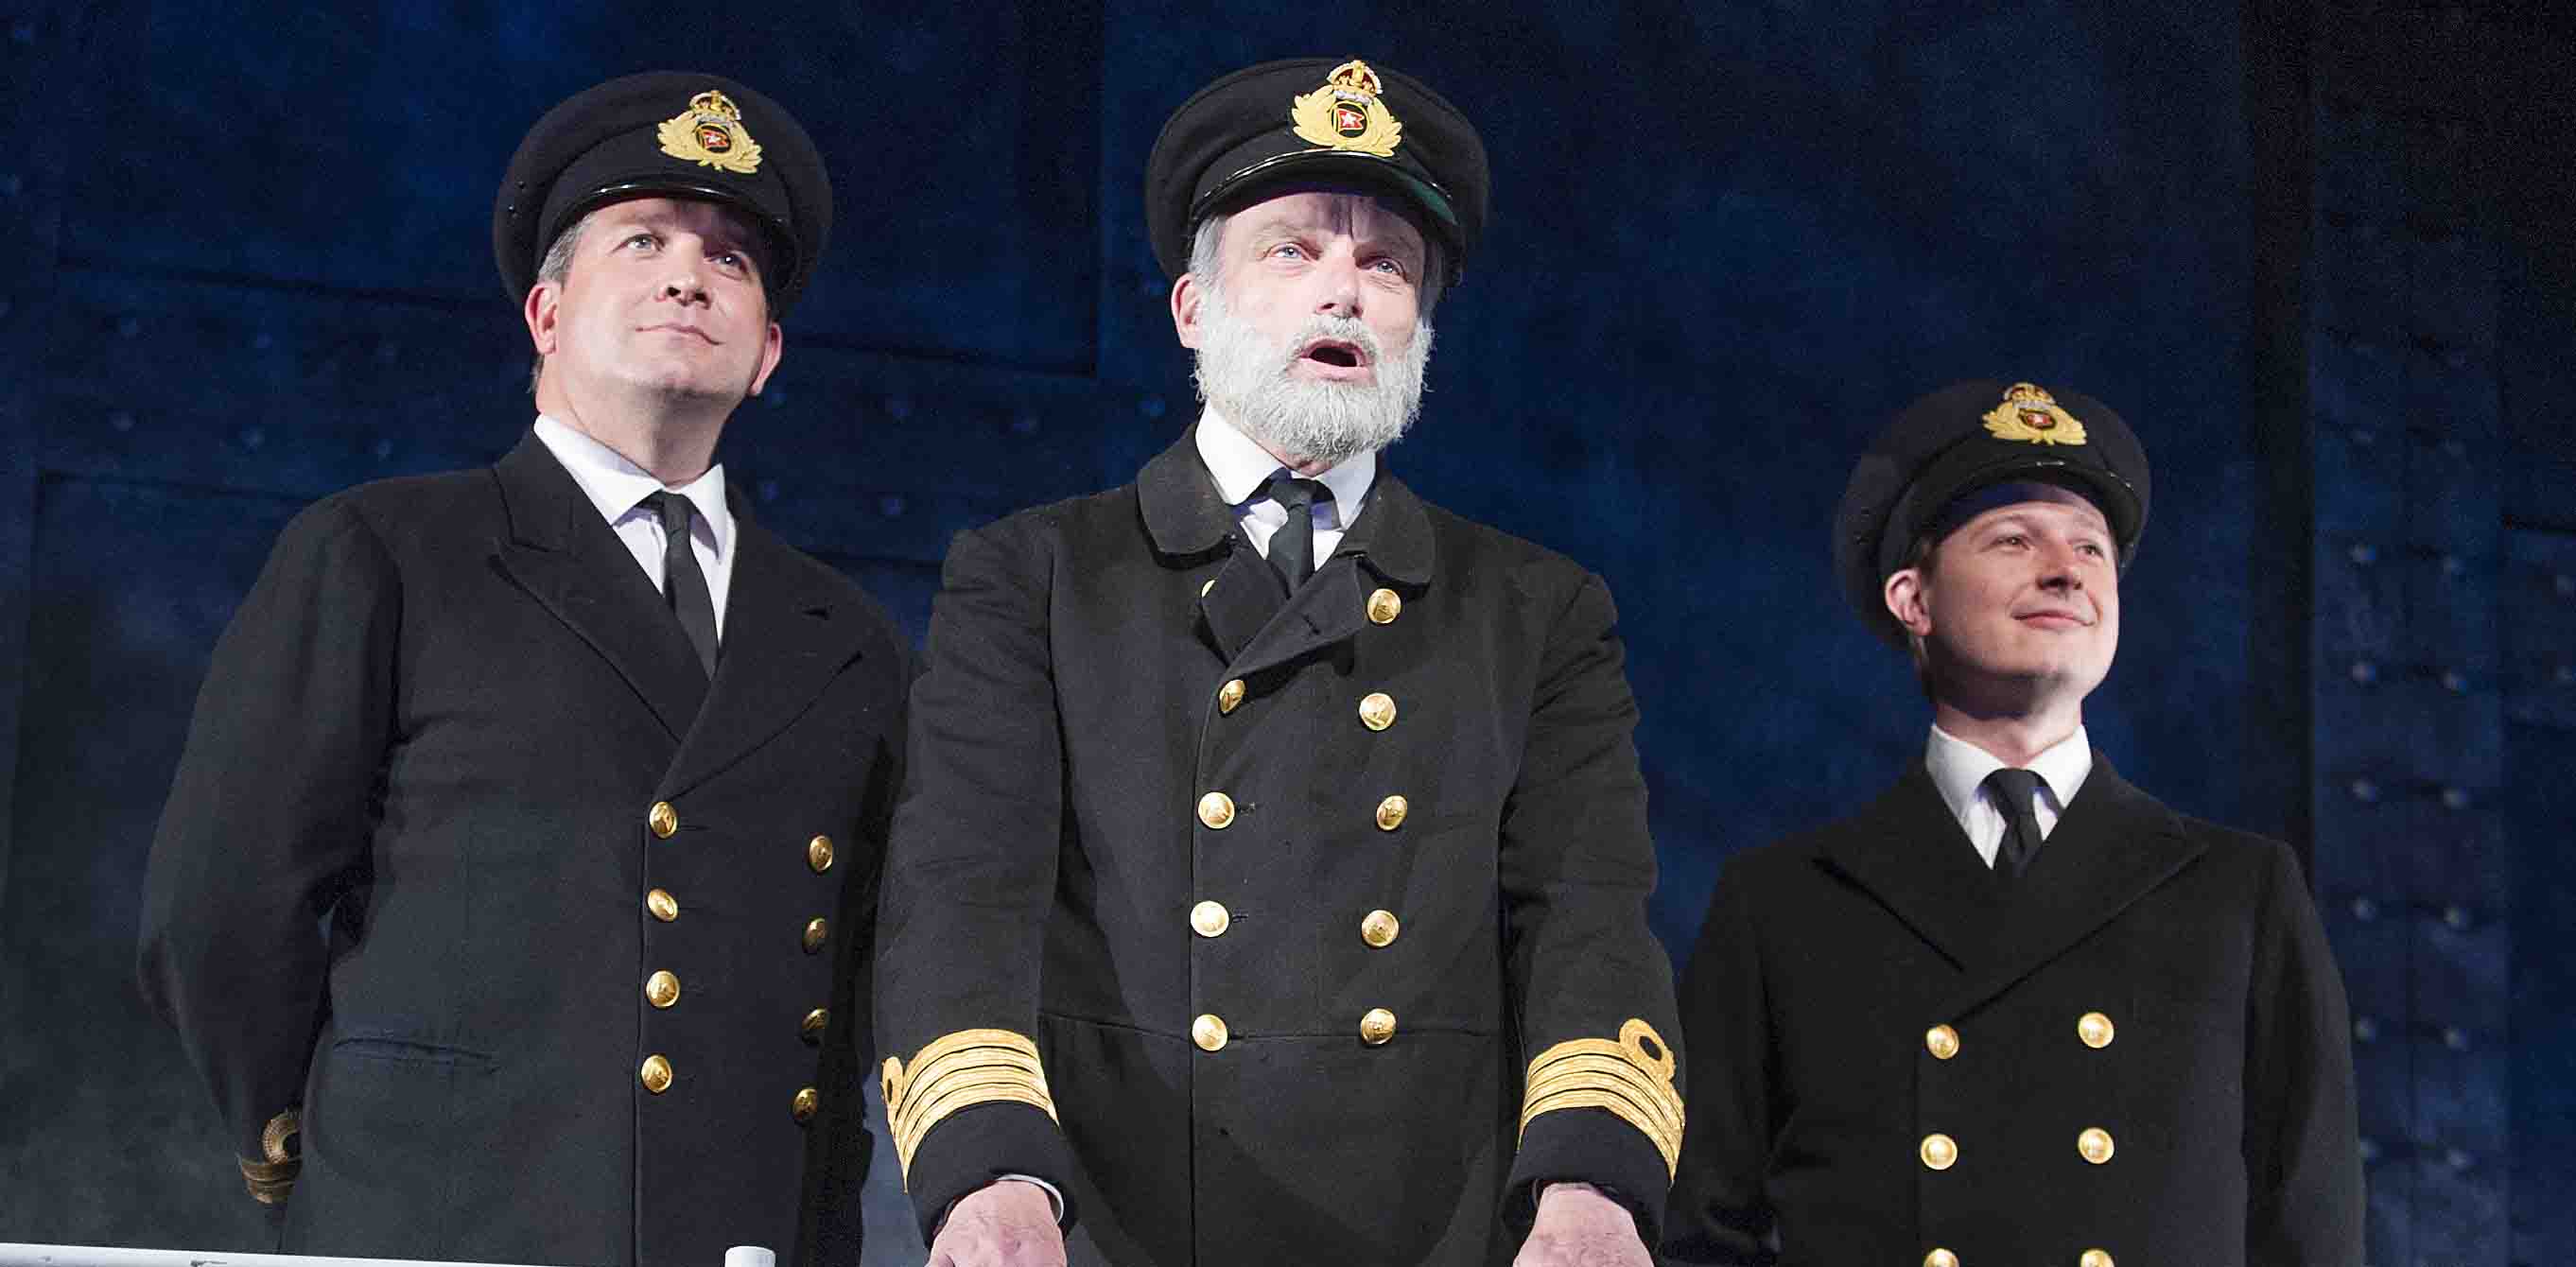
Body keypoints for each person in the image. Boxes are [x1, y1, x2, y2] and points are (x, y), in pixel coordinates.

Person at [873, 56, 1680, 1267]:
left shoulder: (1540, 609)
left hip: (1433, 1227)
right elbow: (961, 897)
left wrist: (1592, 1187)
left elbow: (1587, 915)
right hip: (1104, 1218)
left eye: (1386, 265)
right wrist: (986, 1175)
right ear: (1194, 310)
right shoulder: (1034, 577)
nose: (1345, 294)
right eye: (1293, 252)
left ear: (1421, 325)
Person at [136, 72, 904, 1267]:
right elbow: (221, 909)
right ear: (545, 316)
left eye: (732, 261)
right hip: (439, 1219)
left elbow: (863, 970)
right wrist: (325, 1144)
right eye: (641, 240)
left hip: (749, 1233)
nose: (688, 276)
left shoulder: (842, 629)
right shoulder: (387, 549)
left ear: (768, 355)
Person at [1662, 380, 2364, 1265]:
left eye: (2091, 548)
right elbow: (1700, 1233)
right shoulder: (1781, 904)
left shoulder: (2244, 893)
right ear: (1912, 599)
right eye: (2013, 540)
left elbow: (2312, 1229)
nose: (2067, 570)